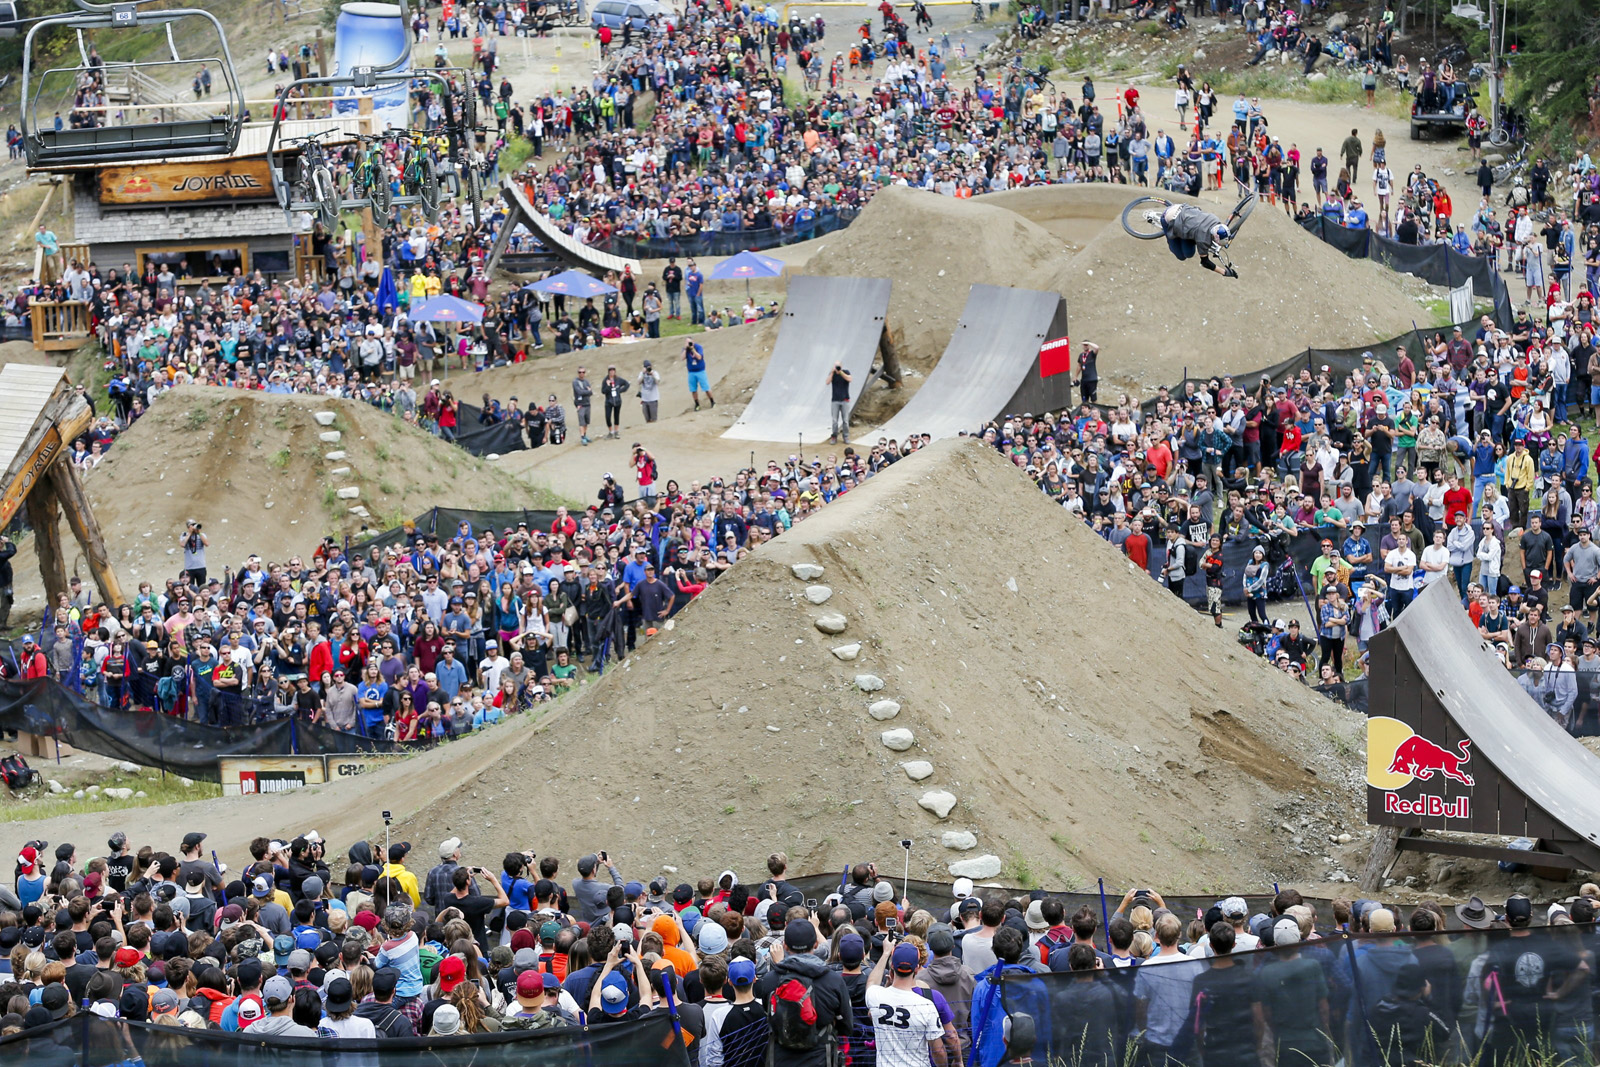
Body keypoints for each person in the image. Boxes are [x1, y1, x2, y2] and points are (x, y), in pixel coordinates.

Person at [1148, 202, 1238, 277]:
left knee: (1189, 252)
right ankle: (1170, 234)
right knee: (1182, 256)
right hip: (1168, 219)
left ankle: (1185, 234)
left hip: (1182, 208)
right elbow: (1205, 262)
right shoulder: (1203, 240)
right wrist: (1224, 272)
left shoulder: (1215, 219)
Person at [684, 339, 715, 410]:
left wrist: (693, 349)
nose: (689, 344)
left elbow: (699, 357)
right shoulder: (685, 349)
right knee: (693, 389)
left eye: (689, 342)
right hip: (691, 372)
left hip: (700, 371)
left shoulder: (698, 347)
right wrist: (686, 349)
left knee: (706, 388)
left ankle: (712, 401)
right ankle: (697, 404)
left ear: (693, 341)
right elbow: (682, 358)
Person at [827, 363, 853, 444]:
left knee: (845, 420)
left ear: (841, 366)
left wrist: (841, 372)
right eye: (836, 366)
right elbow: (827, 382)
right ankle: (834, 436)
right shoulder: (833, 374)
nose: (837, 368)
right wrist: (832, 372)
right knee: (835, 420)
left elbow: (849, 379)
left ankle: (845, 436)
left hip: (845, 400)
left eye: (838, 366)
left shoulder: (846, 372)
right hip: (835, 400)